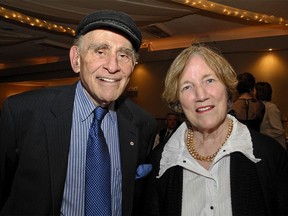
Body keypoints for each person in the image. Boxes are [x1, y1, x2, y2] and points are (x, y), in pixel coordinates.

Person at [0, 10, 157, 215]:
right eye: (101, 51)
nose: (113, 66)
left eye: (124, 55)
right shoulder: (23, 113)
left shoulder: (142, 124)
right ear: (76, 59)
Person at [144, 44, 288, 215]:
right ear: (178, 101)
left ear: (227, 89)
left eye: (209, 80)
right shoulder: (160, 162)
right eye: (187, 86)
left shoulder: (270, 155)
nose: (201, 95)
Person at [255, 81, 287, 149]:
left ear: (260, 92)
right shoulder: (258, 106)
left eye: (254, 90)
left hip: (276, 147)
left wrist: (261, 132)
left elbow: (278, 130)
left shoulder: (271, 108)